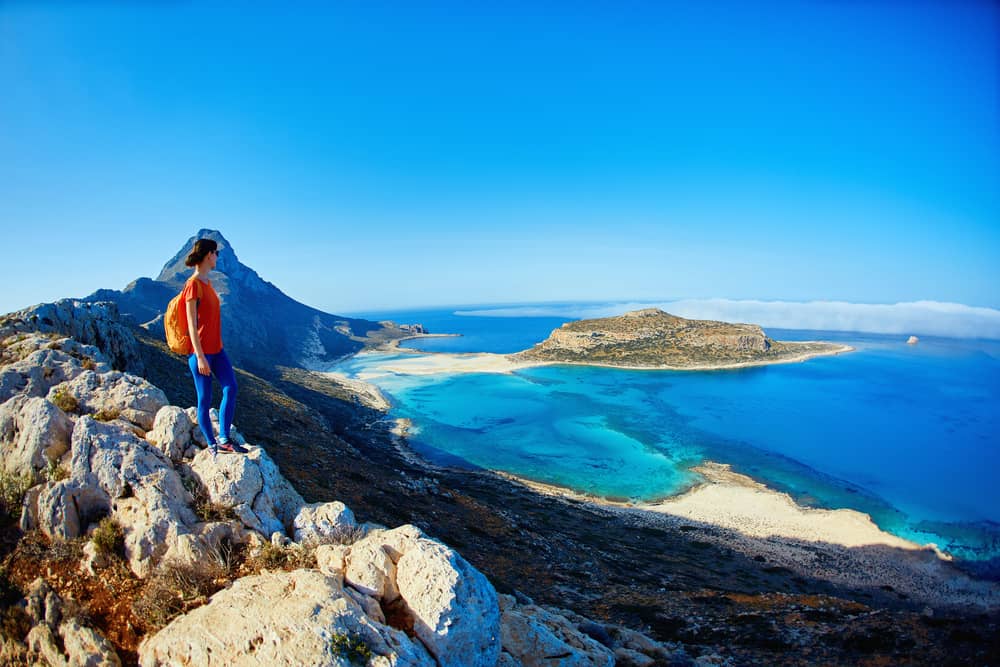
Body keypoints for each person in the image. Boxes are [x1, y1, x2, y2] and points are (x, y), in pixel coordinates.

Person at [183, 238, 247, 454]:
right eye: (216, 254)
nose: (218, 258)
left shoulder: (209, 284)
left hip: (217, 350)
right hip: (201, 353)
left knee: (231, 388)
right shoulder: (192, 285)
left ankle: (225, 438)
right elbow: (192, 325)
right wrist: (200, 357)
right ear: (209, 254)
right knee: (205, 399)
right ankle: (212, 444)